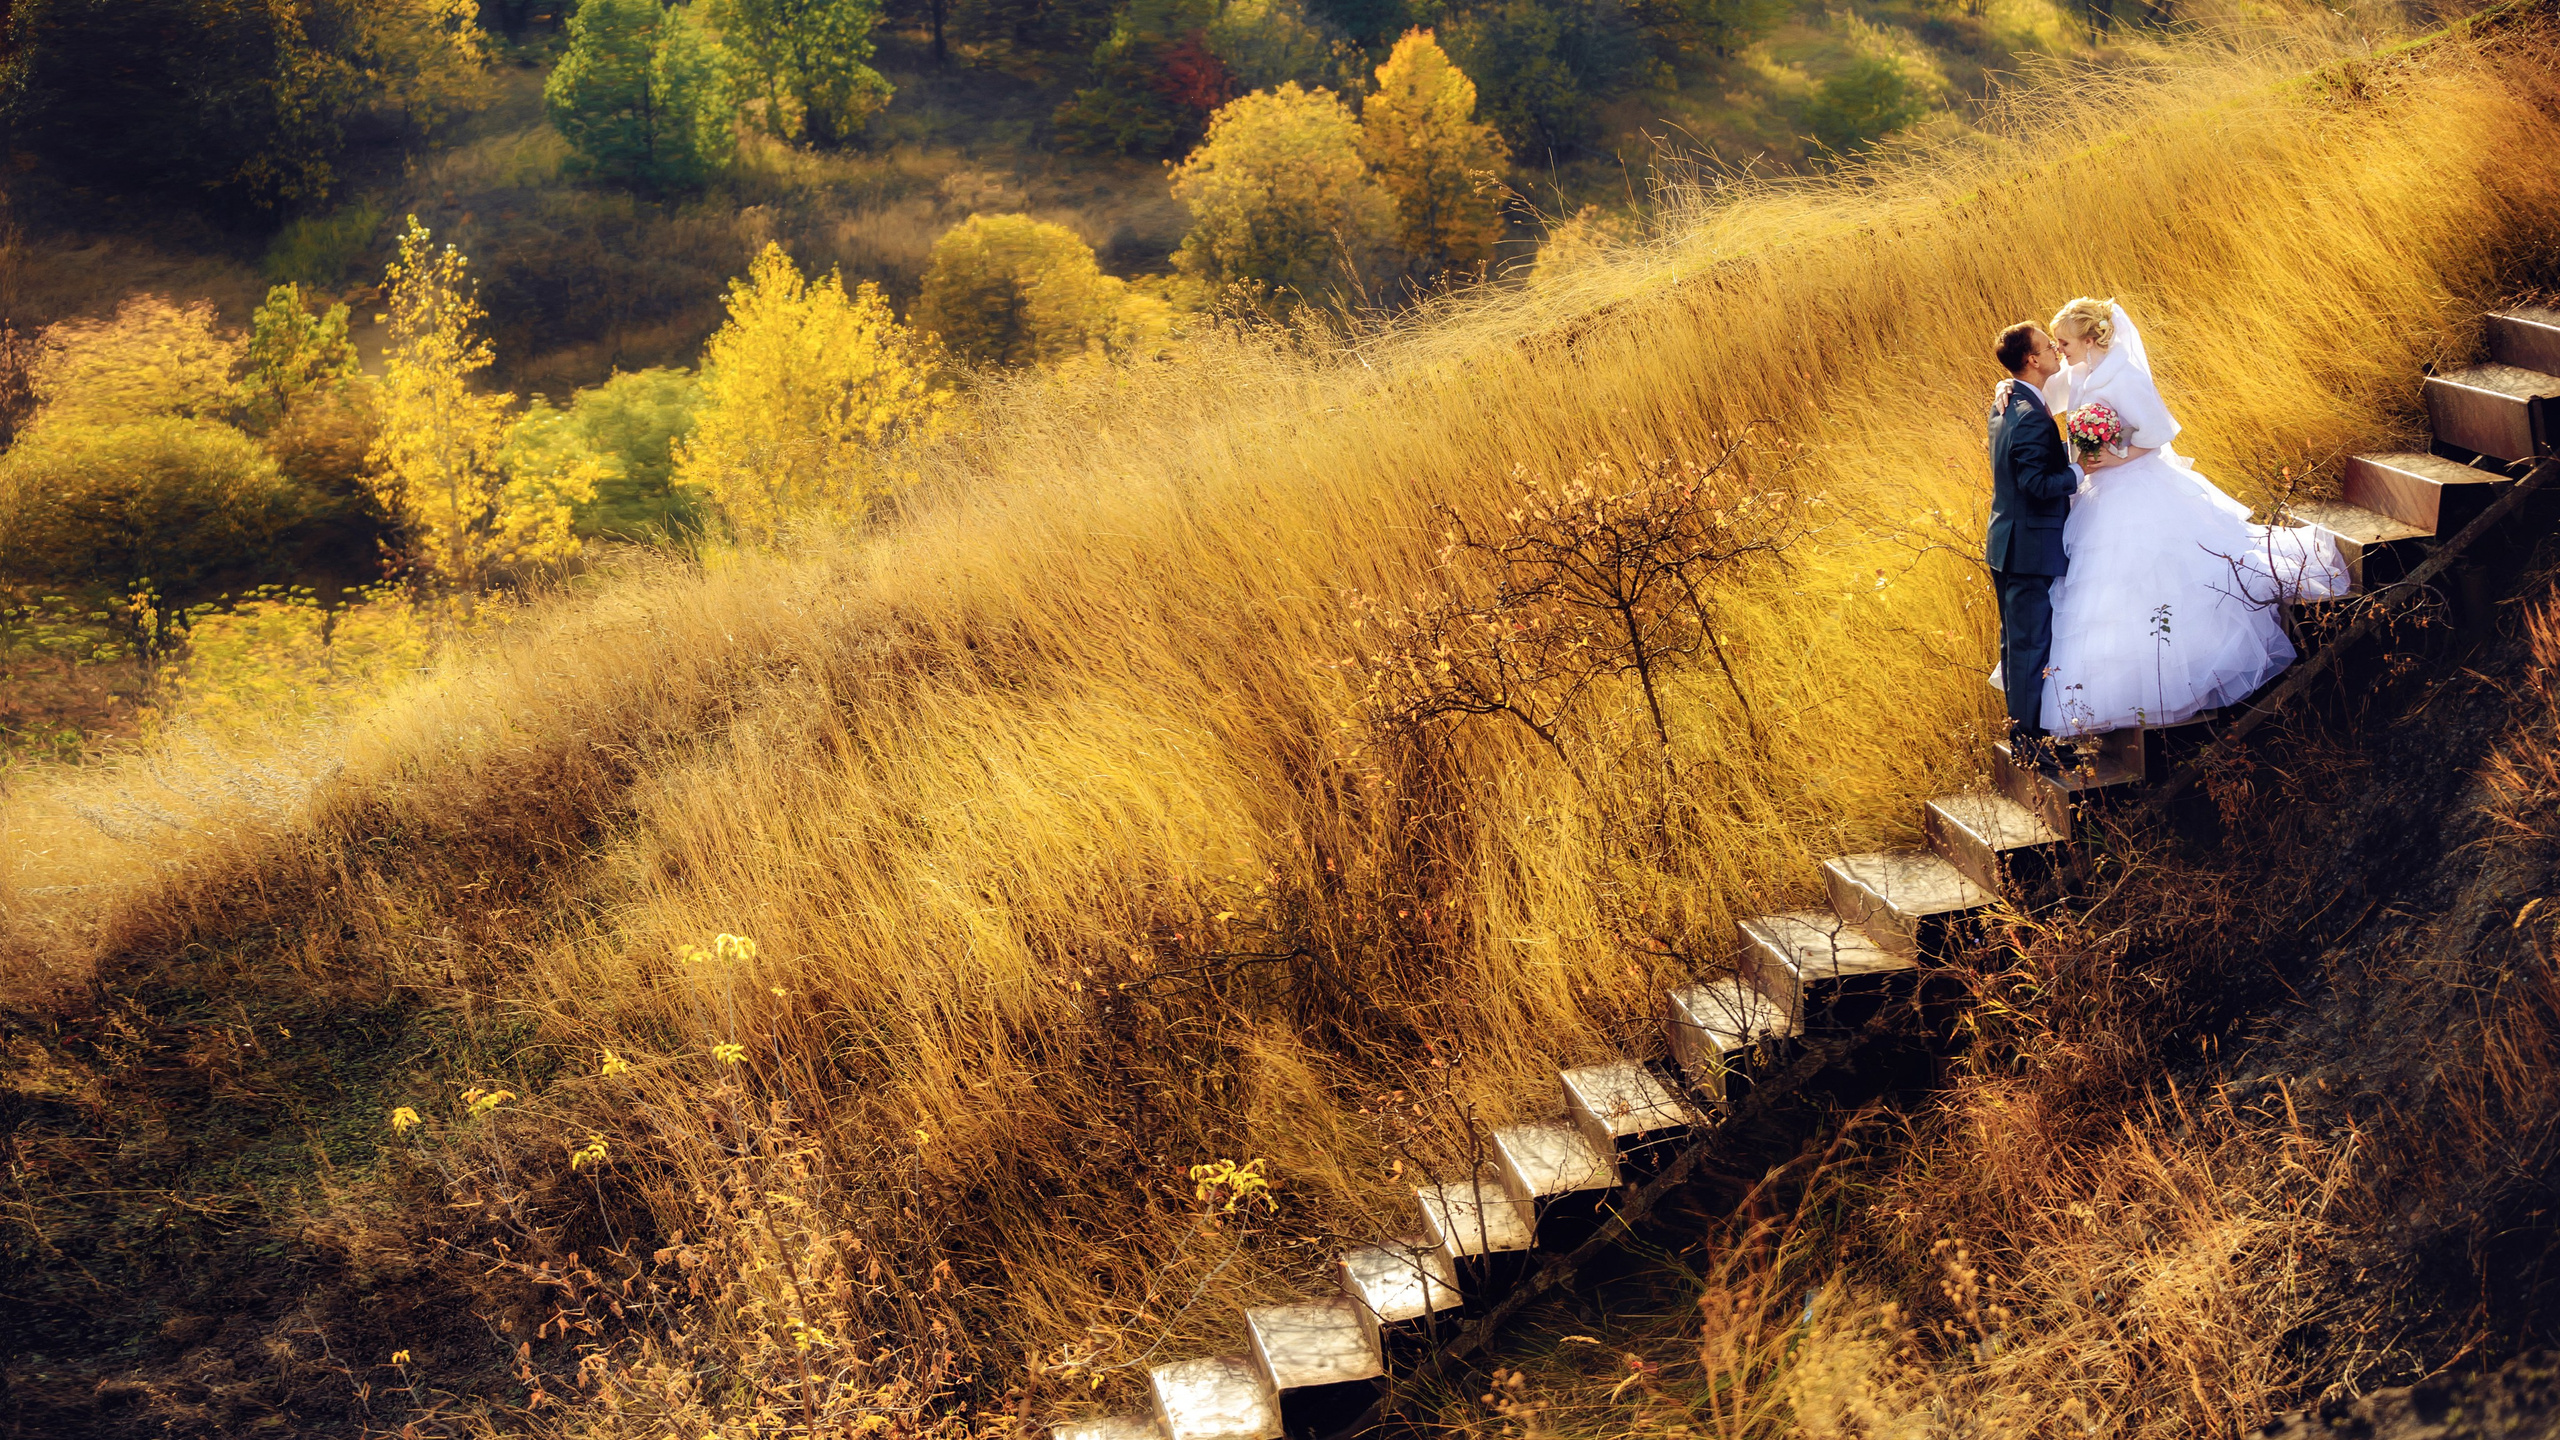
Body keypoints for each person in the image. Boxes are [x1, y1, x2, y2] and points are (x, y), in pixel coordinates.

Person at [2030, 297, 2351, 736]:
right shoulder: (2081, 371)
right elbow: (2043, 390)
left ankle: (2173, 677)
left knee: (2157, 574)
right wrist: (2006, 388)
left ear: (2089, 339)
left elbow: (2159, 432)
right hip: (2098, 493)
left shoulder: (2123, 375)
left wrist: (2116, 457)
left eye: (2063, 341)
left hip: (2135, 483)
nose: (2058, 347)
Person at [1985, 321, 2079, 769]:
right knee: (2027, 646)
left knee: (2017, 643)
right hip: (2028, 549)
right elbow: (2037, 483)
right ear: (2033, 360)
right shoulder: (2025, 415)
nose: (2055, 352)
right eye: (2047, 346)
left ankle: (2031, 733)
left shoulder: (2008, 401)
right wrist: (2078, 473)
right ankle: (2030, 745)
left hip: (2008, 542)